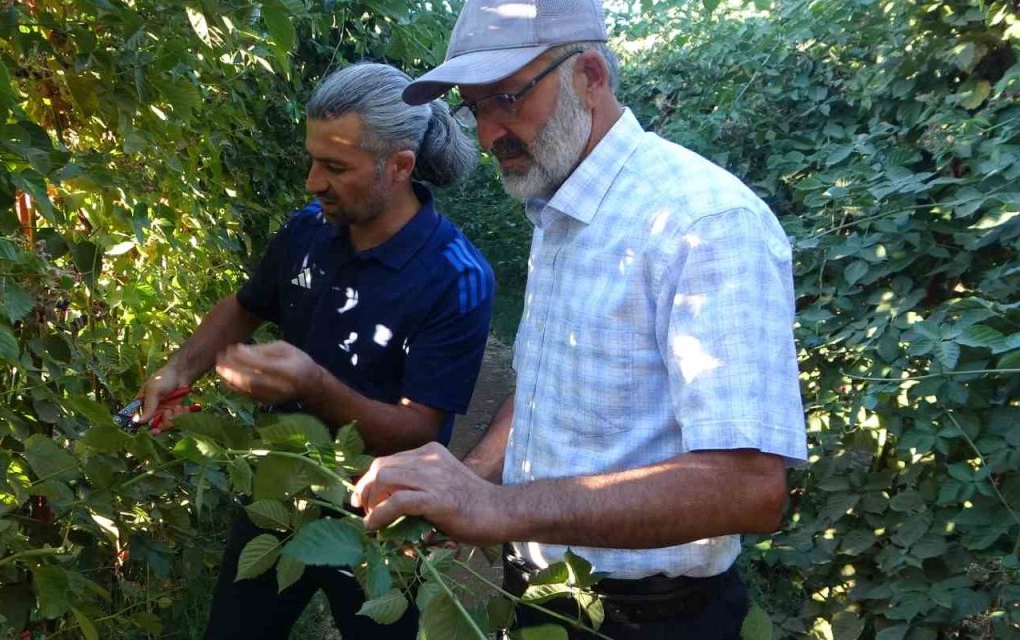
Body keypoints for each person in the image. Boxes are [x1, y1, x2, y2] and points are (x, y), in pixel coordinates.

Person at [351, 0, 809, 638]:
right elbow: (553, 384)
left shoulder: (703, 223)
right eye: (476, 107)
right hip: (545, 597)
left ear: (590, 75)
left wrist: (502, 507)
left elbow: (749, 487)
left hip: (652, 618)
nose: (489, 135)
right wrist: (472, 477)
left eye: (508, 98)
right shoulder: (559, 207)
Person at [137, 63, 495, 640]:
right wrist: (179, 368)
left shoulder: (458, 277)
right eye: (312, 159)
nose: (312, 182)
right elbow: (245, 305)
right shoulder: (307, 230)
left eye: (335, 166)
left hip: (384, 521)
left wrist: (313, 386)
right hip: (279, 492)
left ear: (399, 166)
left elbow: (419, 431)